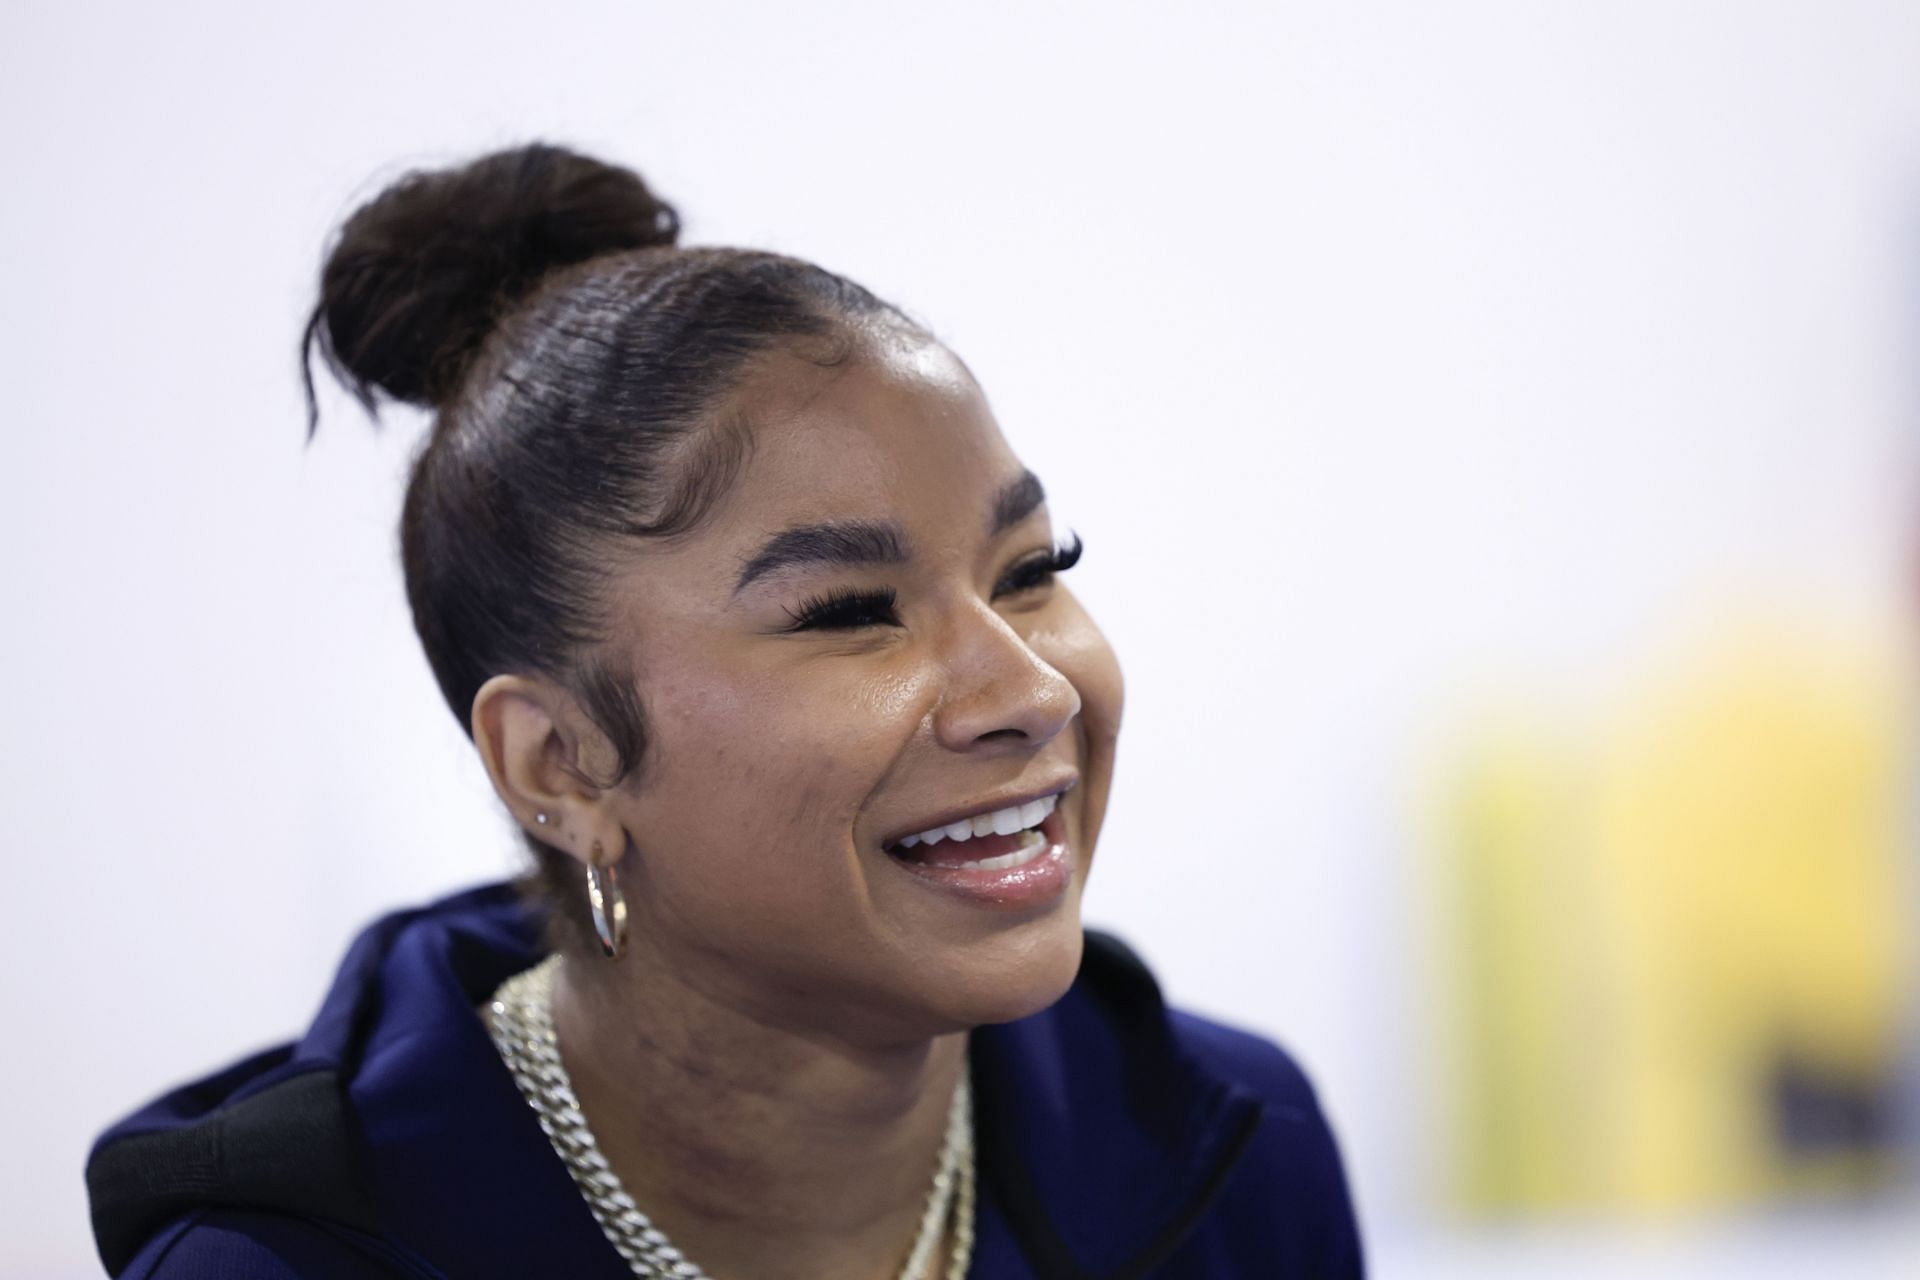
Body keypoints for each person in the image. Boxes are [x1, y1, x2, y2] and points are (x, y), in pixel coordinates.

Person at [85, 143, 1364, 1279]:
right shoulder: (282, 1259)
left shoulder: (1240, 1155)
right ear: (564, 763)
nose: (1029, 691)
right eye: (851, 609)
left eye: (1031, 571)